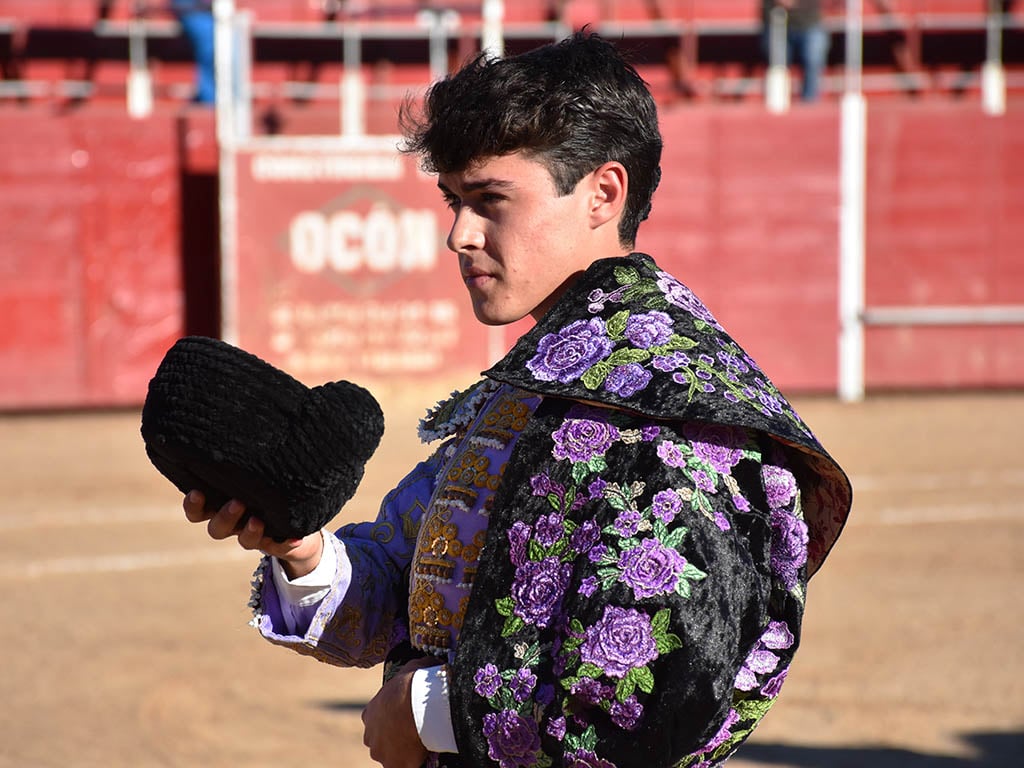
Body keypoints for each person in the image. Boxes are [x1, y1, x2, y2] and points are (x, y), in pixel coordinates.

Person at [184, 32, 852, 768]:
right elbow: (417, 591)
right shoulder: (539, 378)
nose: (458, 235)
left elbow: (665, 695)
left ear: (603, 194)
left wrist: (428, 712)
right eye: (454, 202)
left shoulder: (677, 410)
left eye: (490, 200)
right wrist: (299, 546)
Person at [761, 0, 832, 102]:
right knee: (777, 65)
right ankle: (778, 103)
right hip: (777, 22)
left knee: (813, 59)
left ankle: (810, 102)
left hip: (810, 21)